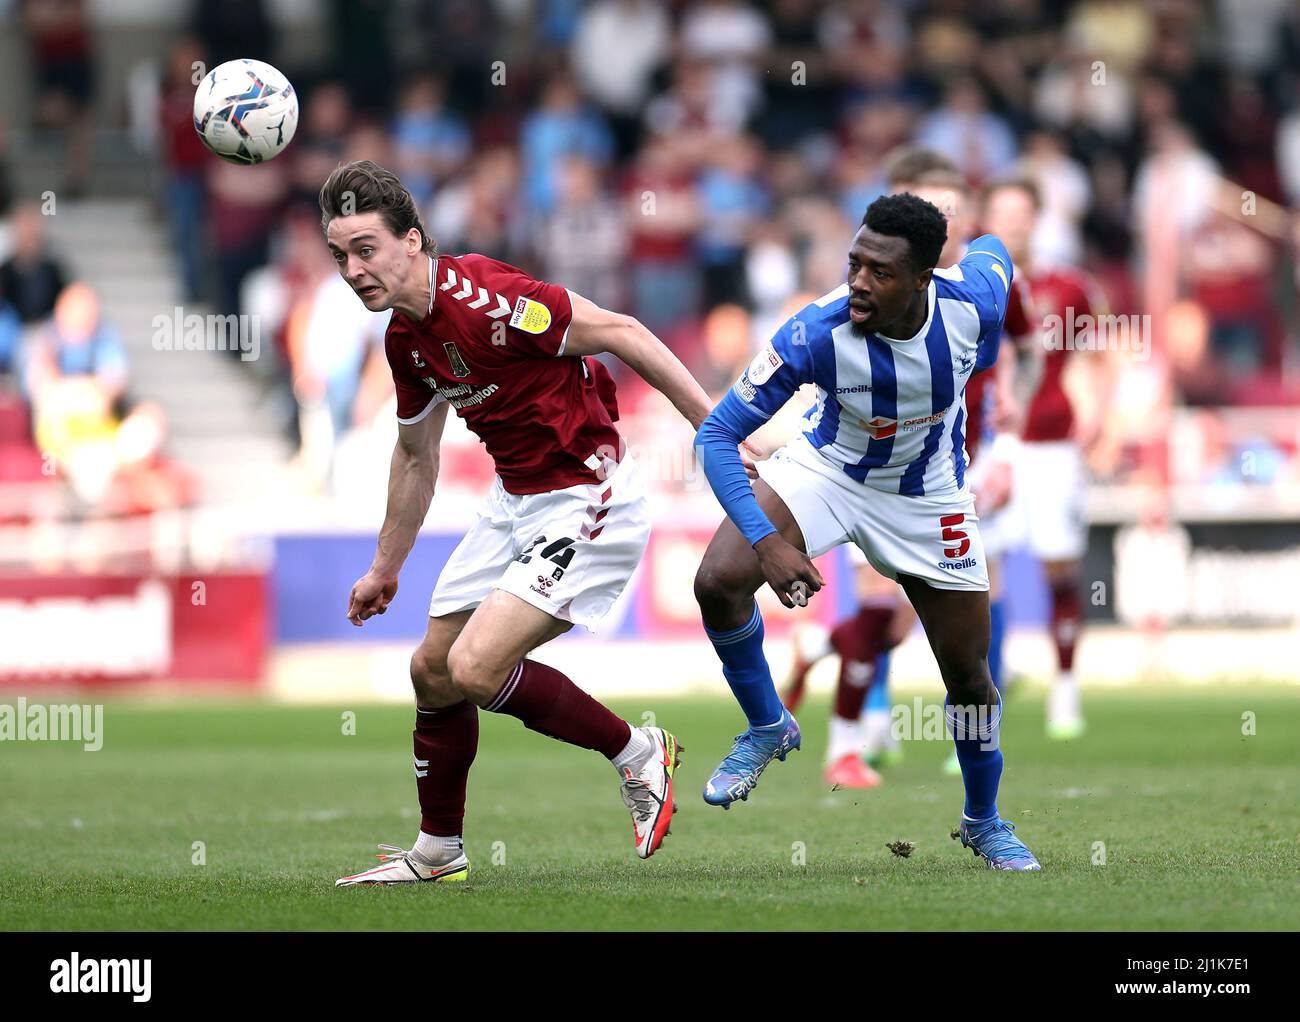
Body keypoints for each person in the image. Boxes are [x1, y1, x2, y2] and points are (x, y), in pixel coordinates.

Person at [321, 161, 718, 885]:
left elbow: (623, 331)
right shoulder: (405, 340)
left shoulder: (488, 299)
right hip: (516, 501)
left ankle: (637, 751)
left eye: (365, 249)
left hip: (588, 494)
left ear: (411, 241)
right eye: (339, 255)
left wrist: (715, 432)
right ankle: (439, 851)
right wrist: (386, 566)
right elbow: (415, 455)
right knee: (432, 670)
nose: (352, 270)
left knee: (476, 667)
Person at [693, 192, 1041, 870]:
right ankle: (768, 723)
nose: (858, 281)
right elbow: (717, 434)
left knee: (969, 675)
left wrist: (1001, 354)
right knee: (717, 580)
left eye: (879, 272)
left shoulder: (973, 307)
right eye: (855, 263)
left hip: (928, 495)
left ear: (922, 279)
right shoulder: (815, 331)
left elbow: (995, 252)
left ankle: (982, 819)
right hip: (828, 471)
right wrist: (770, 546)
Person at [982, 176, 1111, 740]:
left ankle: (1065, 688)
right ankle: (989, 695)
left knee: (1059, 566)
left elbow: (1102, 355)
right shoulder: (970, 283)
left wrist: (1099, 415)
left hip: (1053, 445)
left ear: (1036, 218)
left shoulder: (1069, 286)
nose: (1012, 223)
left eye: (1020, 213)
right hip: (986, 447)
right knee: (983, 576)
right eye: (1001, 213)